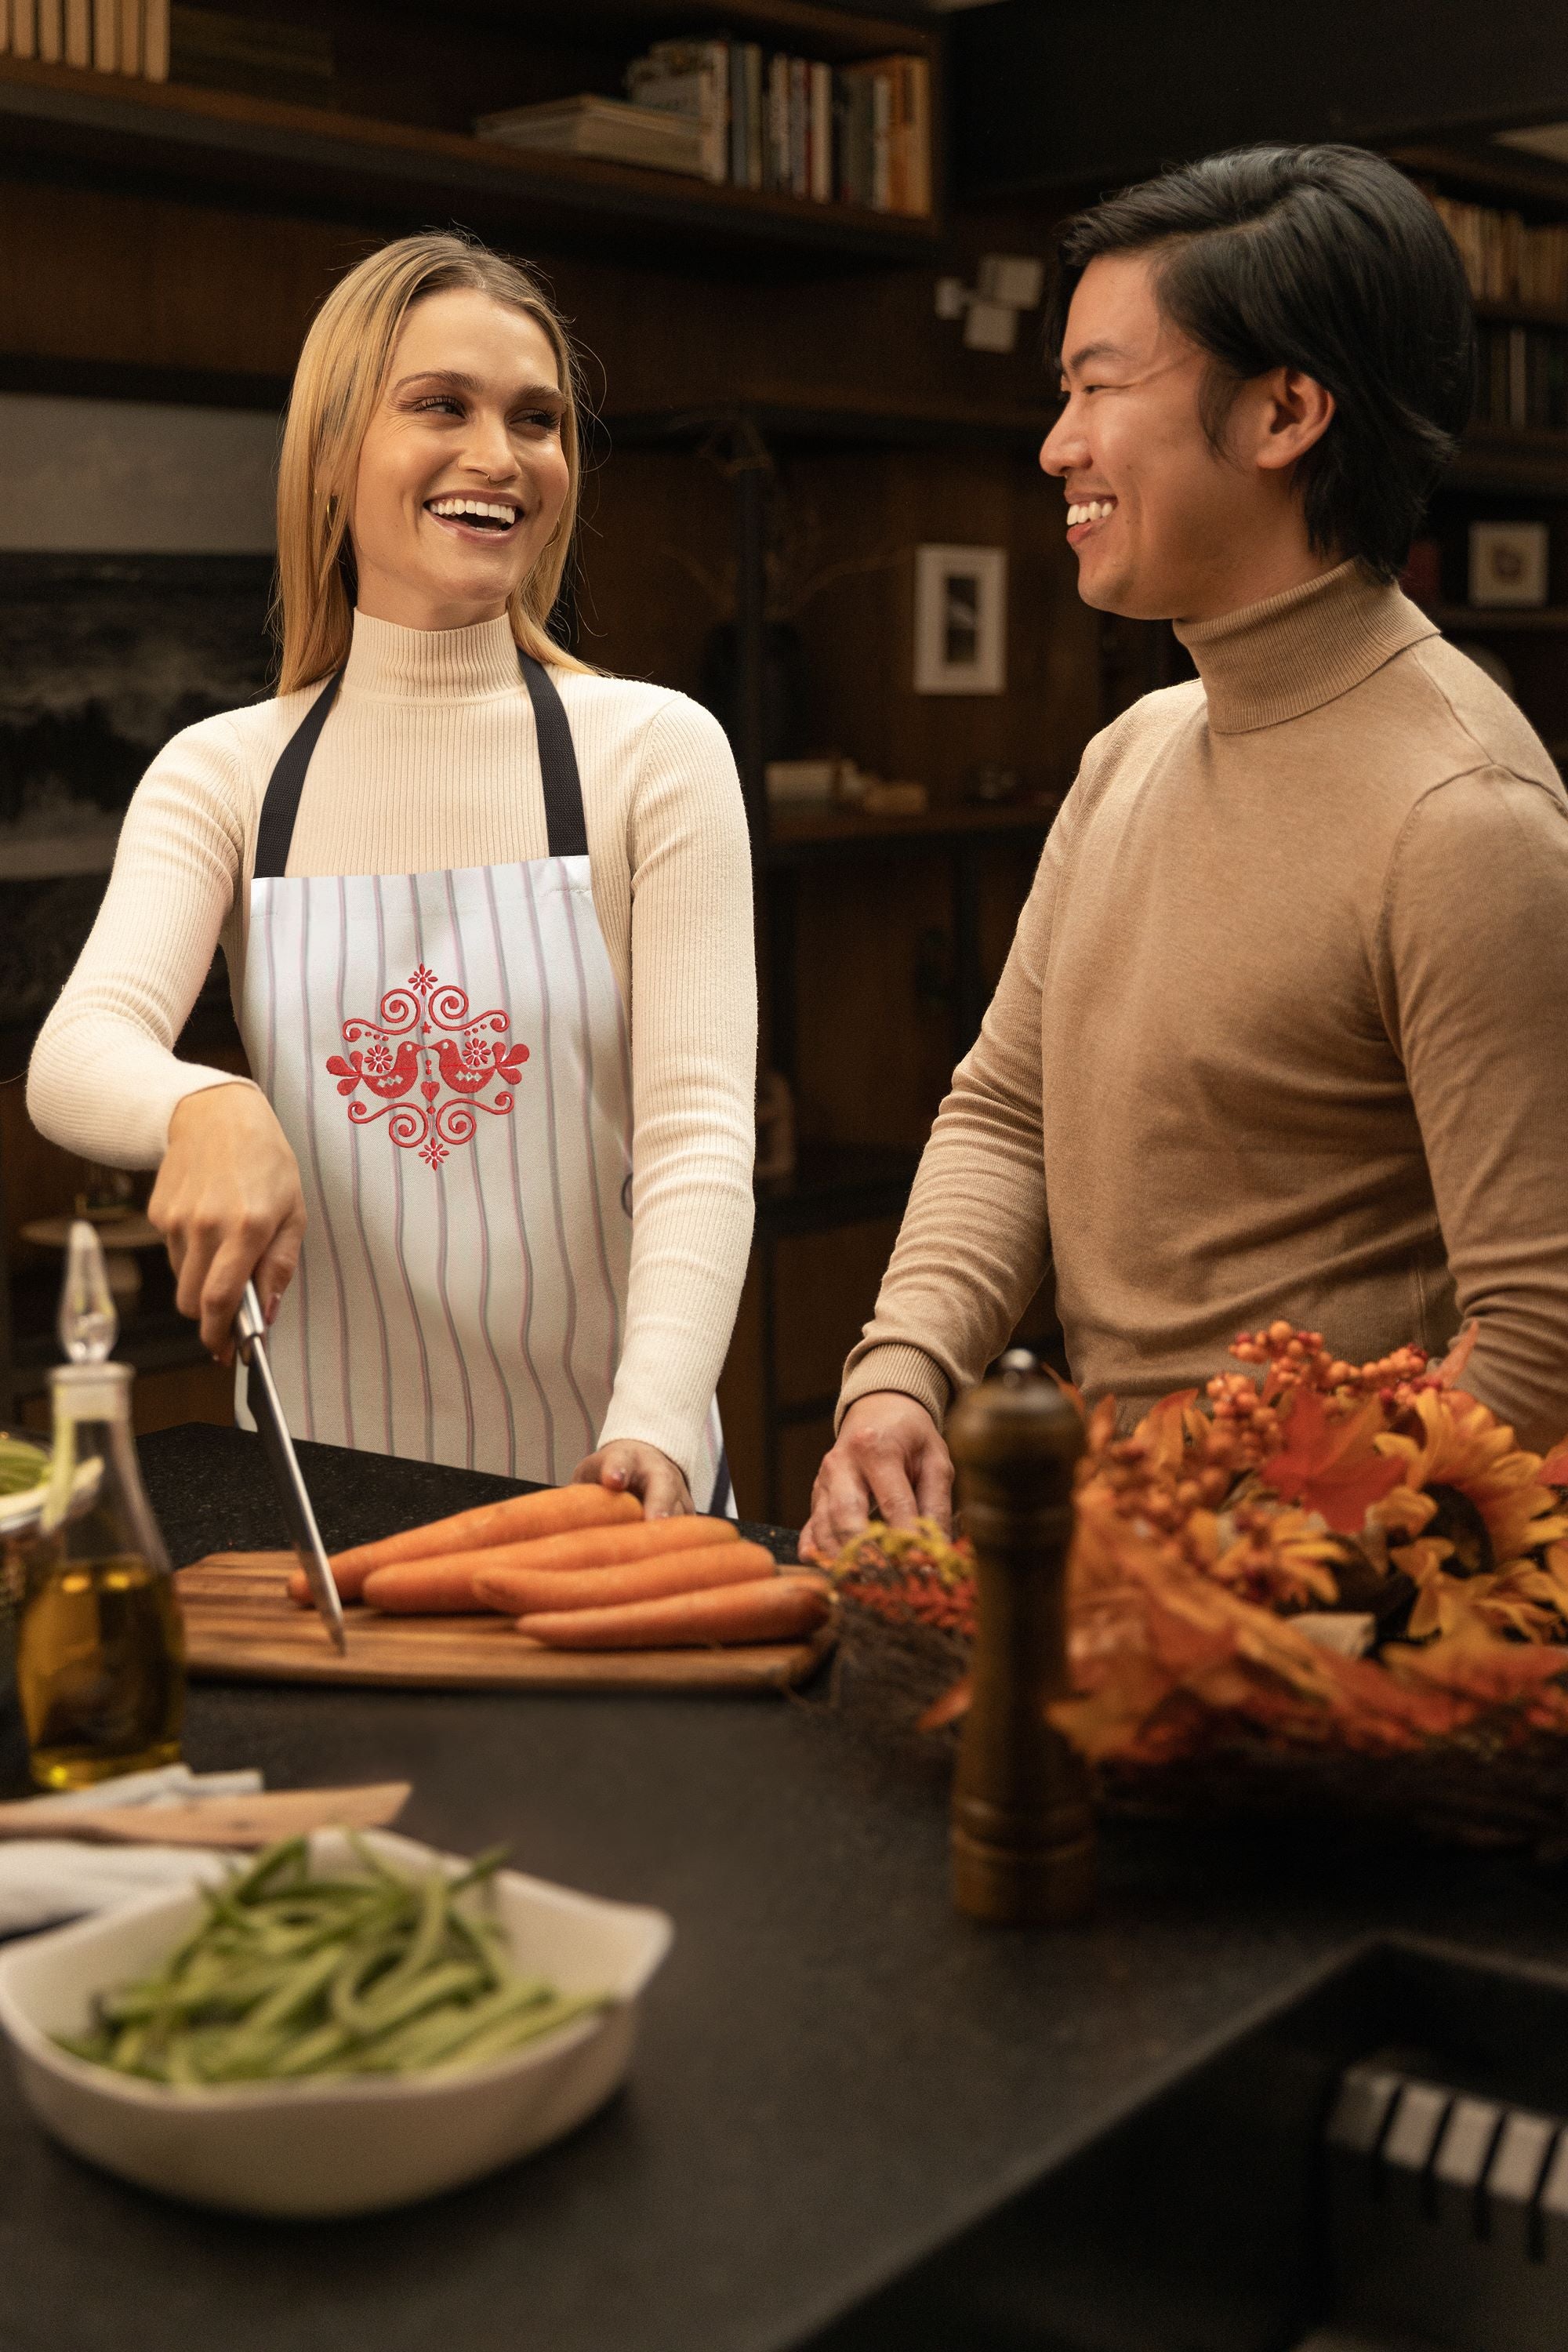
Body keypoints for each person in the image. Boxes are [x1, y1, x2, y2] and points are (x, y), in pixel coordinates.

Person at [803, 142, 1568, 1561]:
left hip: (1327, 1638)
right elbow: (1007, 1115)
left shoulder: (1465, 818)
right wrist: (902, 1372)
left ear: (1285, 410)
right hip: (1123, 1566)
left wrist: (1253, 1570)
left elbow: (1541, 1339)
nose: (1059, 445)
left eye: (1101, 387)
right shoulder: (1134, 752)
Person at [29, 232, 756, 1518]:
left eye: (538, 421)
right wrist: (206, 1107)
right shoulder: (229, 774)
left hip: (601, 1485)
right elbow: (78, 1054)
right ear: (328, 458)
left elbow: (698, 1137)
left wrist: (654, 1431)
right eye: (441, 407)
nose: (500, 456)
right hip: (319, 1499)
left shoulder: (653, 752)